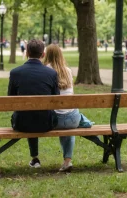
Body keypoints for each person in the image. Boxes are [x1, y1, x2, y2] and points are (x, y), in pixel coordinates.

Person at [8, 39, 59, 168]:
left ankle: (35, 158)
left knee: (28, 113)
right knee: (36, 113)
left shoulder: (15, 72)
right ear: (43, 54)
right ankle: (35, 158)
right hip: (46, 123)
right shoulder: (52, 73)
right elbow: (56, 98)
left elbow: (10, 99)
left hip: (21, 123)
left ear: (27, 52)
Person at [43, 44, 81, 172]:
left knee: (61, 115)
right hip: (72, 120)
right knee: (69, 123)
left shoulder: (45, 71)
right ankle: (67, 161)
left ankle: (67, 162)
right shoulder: (68, 71)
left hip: (54, 120)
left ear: (47, 55)